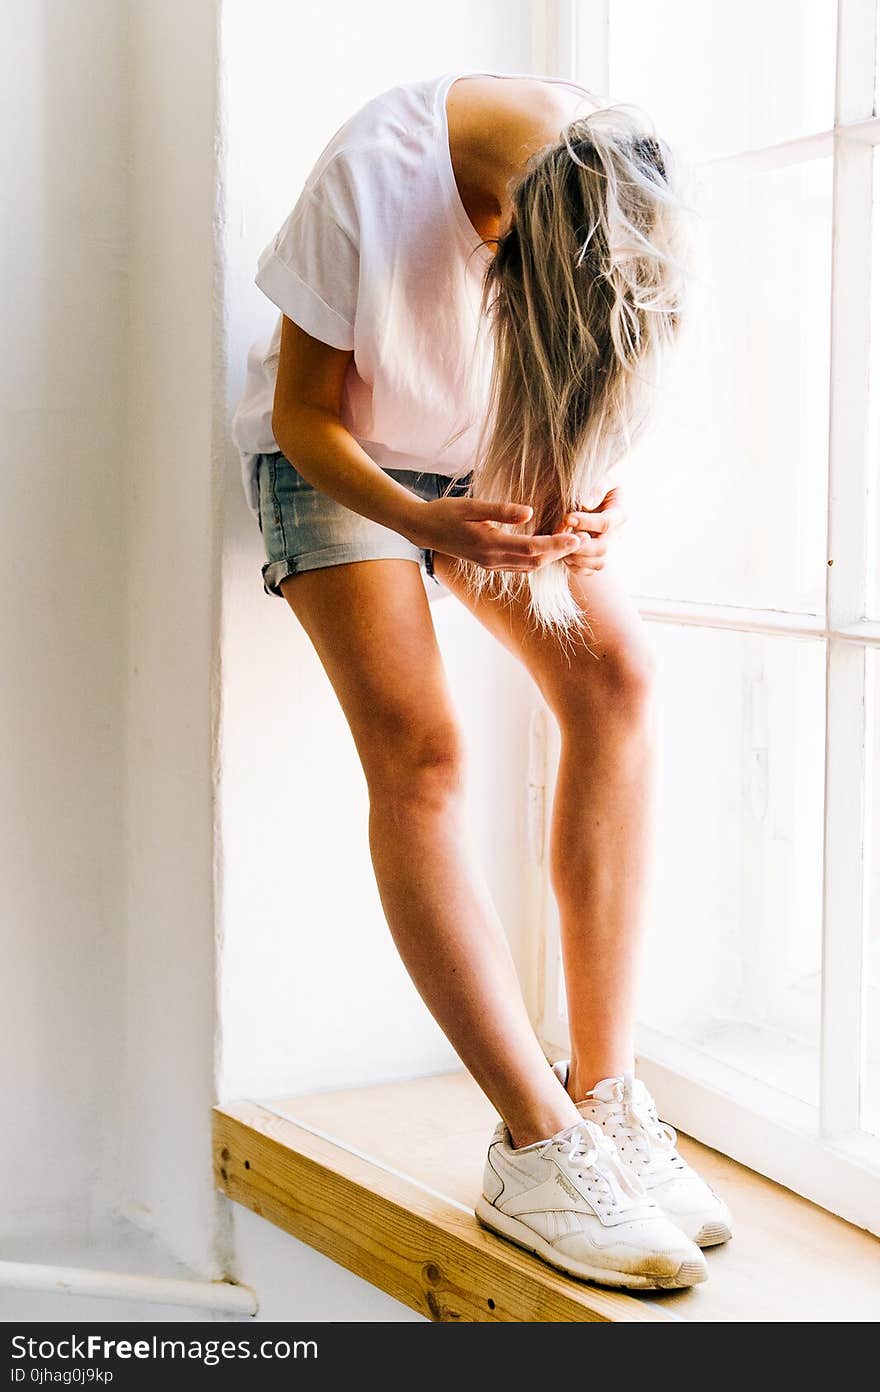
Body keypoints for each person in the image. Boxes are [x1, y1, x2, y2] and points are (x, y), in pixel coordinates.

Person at [231, 68, 731, 1293]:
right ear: (502, 242)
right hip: (347, 458)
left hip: (486, 461)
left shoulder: (613, 174)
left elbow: (588, 370)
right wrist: (423, 524)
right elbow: (303, 412)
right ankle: (536, 1147)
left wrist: (592, 487)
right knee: (425, 755)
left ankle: (603, 1097)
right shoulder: (375, 178)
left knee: (617, 681)